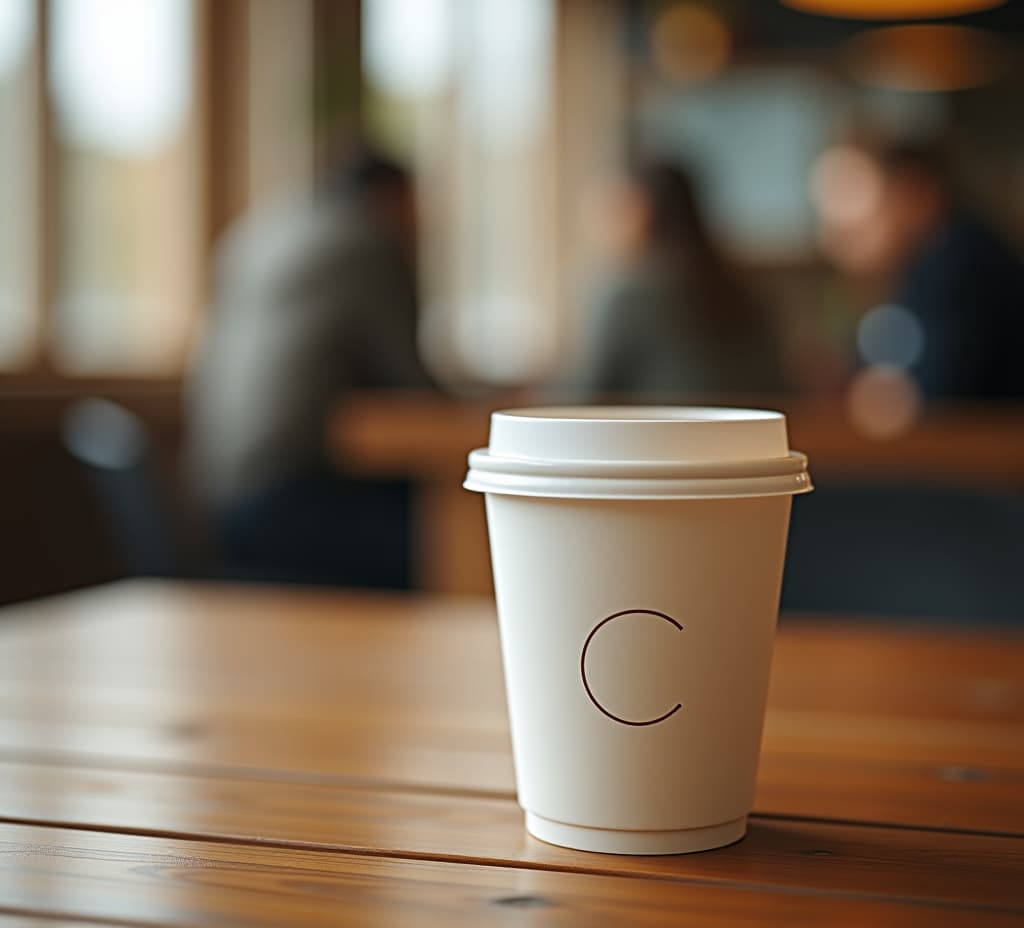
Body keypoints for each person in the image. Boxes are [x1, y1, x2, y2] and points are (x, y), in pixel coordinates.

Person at [185, 149, 437, 588]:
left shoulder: (261, 233)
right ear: (391, 197)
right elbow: (414, 392)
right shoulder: (369, 244)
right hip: (288, 507)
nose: (423, 225)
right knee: (452, 539)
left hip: (213, 503)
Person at [814, 140, 1024, 399]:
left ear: (914, 191)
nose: (844, 230)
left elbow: (938, 392)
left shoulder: (961, 261)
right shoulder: (927, 259)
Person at [563, 160, 784, 399]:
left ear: (644, 211)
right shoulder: (747, 290)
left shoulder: (630, 295)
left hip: (664, 435)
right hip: (753, 435)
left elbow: (581, 398)